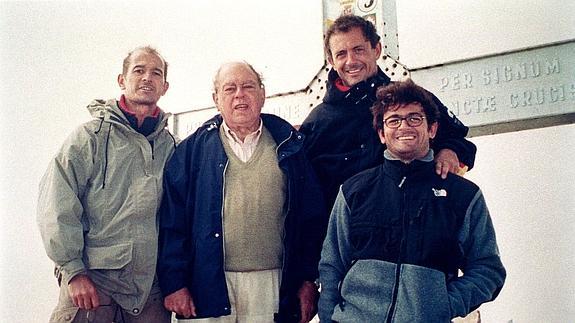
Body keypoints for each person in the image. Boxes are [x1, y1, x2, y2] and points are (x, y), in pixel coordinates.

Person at [317, 79, 506, 322]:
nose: (404, 126)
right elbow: (332, 264)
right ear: (382, 134)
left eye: (414, 118)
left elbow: (488, 270)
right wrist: (329, 316)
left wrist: (444, 305)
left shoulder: (464, 196)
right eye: (393, 120)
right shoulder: (353, 191)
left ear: (432, 129)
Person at [157, 61, 326, 323]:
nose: (239, 95)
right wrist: (174, 283)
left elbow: (310, 219)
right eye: (230, 89)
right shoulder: (191, 152)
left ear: (262, 94)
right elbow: (172, 223)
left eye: (248, 86)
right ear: (216, 99)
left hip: (273, 283)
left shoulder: (290, 148)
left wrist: (307, 279)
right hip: (207, 284)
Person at [37, 46, 175, 322]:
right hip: (92, 287)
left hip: (149, 293)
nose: (147, 78)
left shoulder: (169, 147)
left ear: (164, 87)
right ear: (122, 80)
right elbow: (55, 204)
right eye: (139, 70)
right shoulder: (89, 138)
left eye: (155, 73)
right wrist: (73, 271)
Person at [299, 14, 477, 213]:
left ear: (376, 49)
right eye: (341, 54)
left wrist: (449, 151)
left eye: (358, 50)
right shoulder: (316, 123)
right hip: (355, 238)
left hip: (417, 224)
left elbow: (459, 139)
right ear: (331, 60)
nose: (351, 61)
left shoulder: (413, 99)